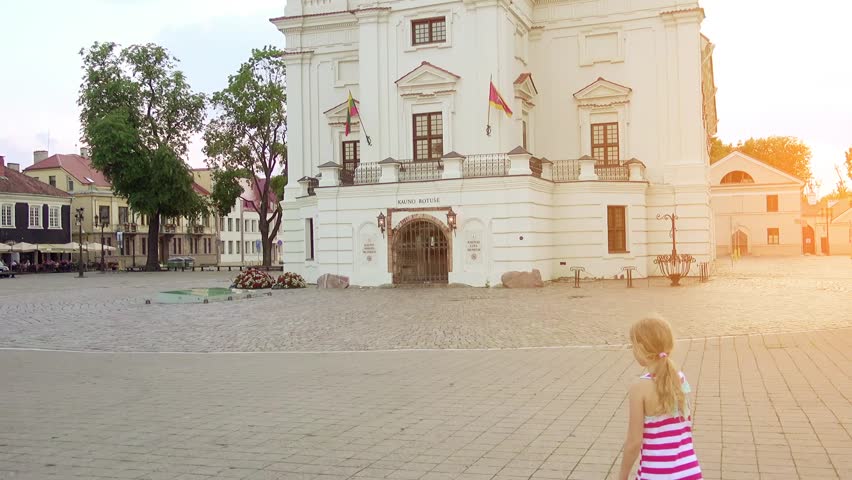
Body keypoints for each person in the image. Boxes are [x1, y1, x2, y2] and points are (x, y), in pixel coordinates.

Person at [619, 316, 701, 480]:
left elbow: (634, 442)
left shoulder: (639, 389)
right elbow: (686, 420)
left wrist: (622, 476)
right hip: (689, 470)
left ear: (641, 348)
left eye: (633, 346)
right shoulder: (680, 378)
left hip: (656, 473)